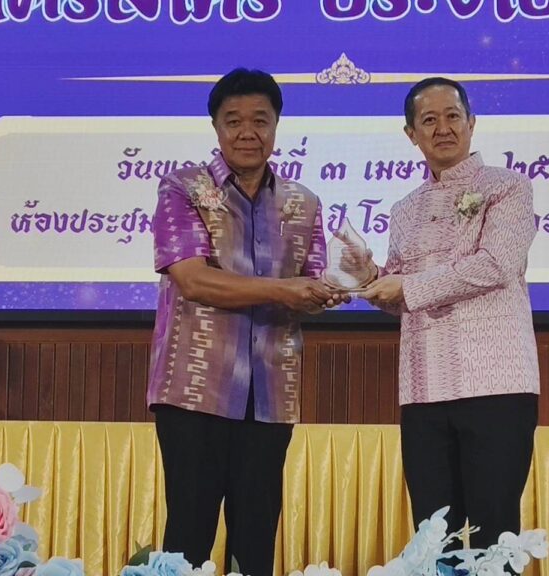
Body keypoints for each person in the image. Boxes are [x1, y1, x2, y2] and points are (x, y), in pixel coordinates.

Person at [147, 67, 340, 576]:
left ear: (276, 126)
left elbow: (313, 284)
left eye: (260, 120)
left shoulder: (304, 202)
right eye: (234, 121)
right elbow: (193, 280)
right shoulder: (182, 187)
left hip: (271, 392)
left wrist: (341, 286)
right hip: (195, 391)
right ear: (216, 127)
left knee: (255, 541)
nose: (247, 132)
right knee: (188, 535)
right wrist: (285, 290)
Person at [360, 77, 540, 547]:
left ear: (471, 123)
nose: (443, 128)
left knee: (494, 533)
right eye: (429, 120)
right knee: (433, 535)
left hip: (496, 383)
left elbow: (496, 264)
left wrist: (407, 287)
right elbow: (400, 294)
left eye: (452, 116)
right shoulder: (403, 209)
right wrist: (368, 277)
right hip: (423, 388)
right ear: (411, 134)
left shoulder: (508, 187)